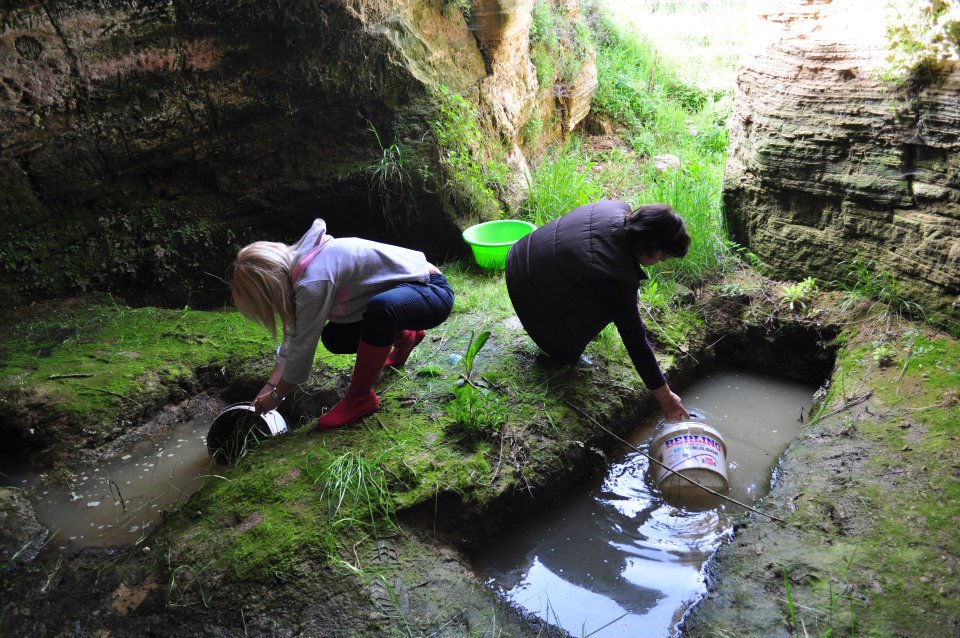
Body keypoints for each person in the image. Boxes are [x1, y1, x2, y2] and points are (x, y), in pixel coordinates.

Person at [231, 219, 454, 429]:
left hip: (432, 292)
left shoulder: (313, 280)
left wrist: (276, 396)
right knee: (336, 337)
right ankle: (405, 335)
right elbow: (294, 336)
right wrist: (270, 386)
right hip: (406, 299)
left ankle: (360, 398)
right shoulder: (302, 265)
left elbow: (301, 354)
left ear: (269, 288)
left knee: (381, 309)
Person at [505, 200, 690, 422]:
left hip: (520, 257)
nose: (660, 262)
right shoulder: (613, 273)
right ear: (649, 245)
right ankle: (551, 346)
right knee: (614, 307)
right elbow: (635, 341)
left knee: (624, 297)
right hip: (528, 294)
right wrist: (666, 398)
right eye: (662, 257)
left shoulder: (617, 209)